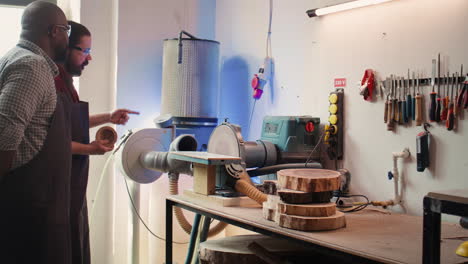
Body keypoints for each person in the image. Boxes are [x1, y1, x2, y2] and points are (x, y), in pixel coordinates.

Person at [54, 21, 139, 264]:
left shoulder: (68, 85)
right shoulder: (54, 84)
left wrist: (109, 117)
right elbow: (53, 142)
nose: (89, 59)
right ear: (65, 47)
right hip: (58, 190)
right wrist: (90, 149)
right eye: (85, 51)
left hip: (73, 189)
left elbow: (71, 124)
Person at [0, 2, 74, 264]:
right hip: (27, 213)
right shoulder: (31, 67)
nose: (68, 37)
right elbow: (5, 137)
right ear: (54, 31)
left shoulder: (17, 58)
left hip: (39, 207)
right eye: (66, 30)